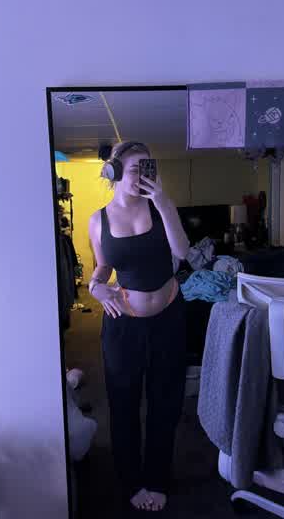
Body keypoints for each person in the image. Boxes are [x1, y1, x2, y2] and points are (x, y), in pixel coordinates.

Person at [88, 141, 190, 512]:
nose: (144, 176)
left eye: (149, 167)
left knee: (166, 404)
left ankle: (158, 478)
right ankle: (132, 481)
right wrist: (95, 287)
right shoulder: (98, 220)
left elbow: (182, 252)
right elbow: (102, 267)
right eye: (135, 169)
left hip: (169, 320)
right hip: (123, 327)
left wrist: (163, 203)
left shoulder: (161, 206)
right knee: (123, 404)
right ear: (115, 172)